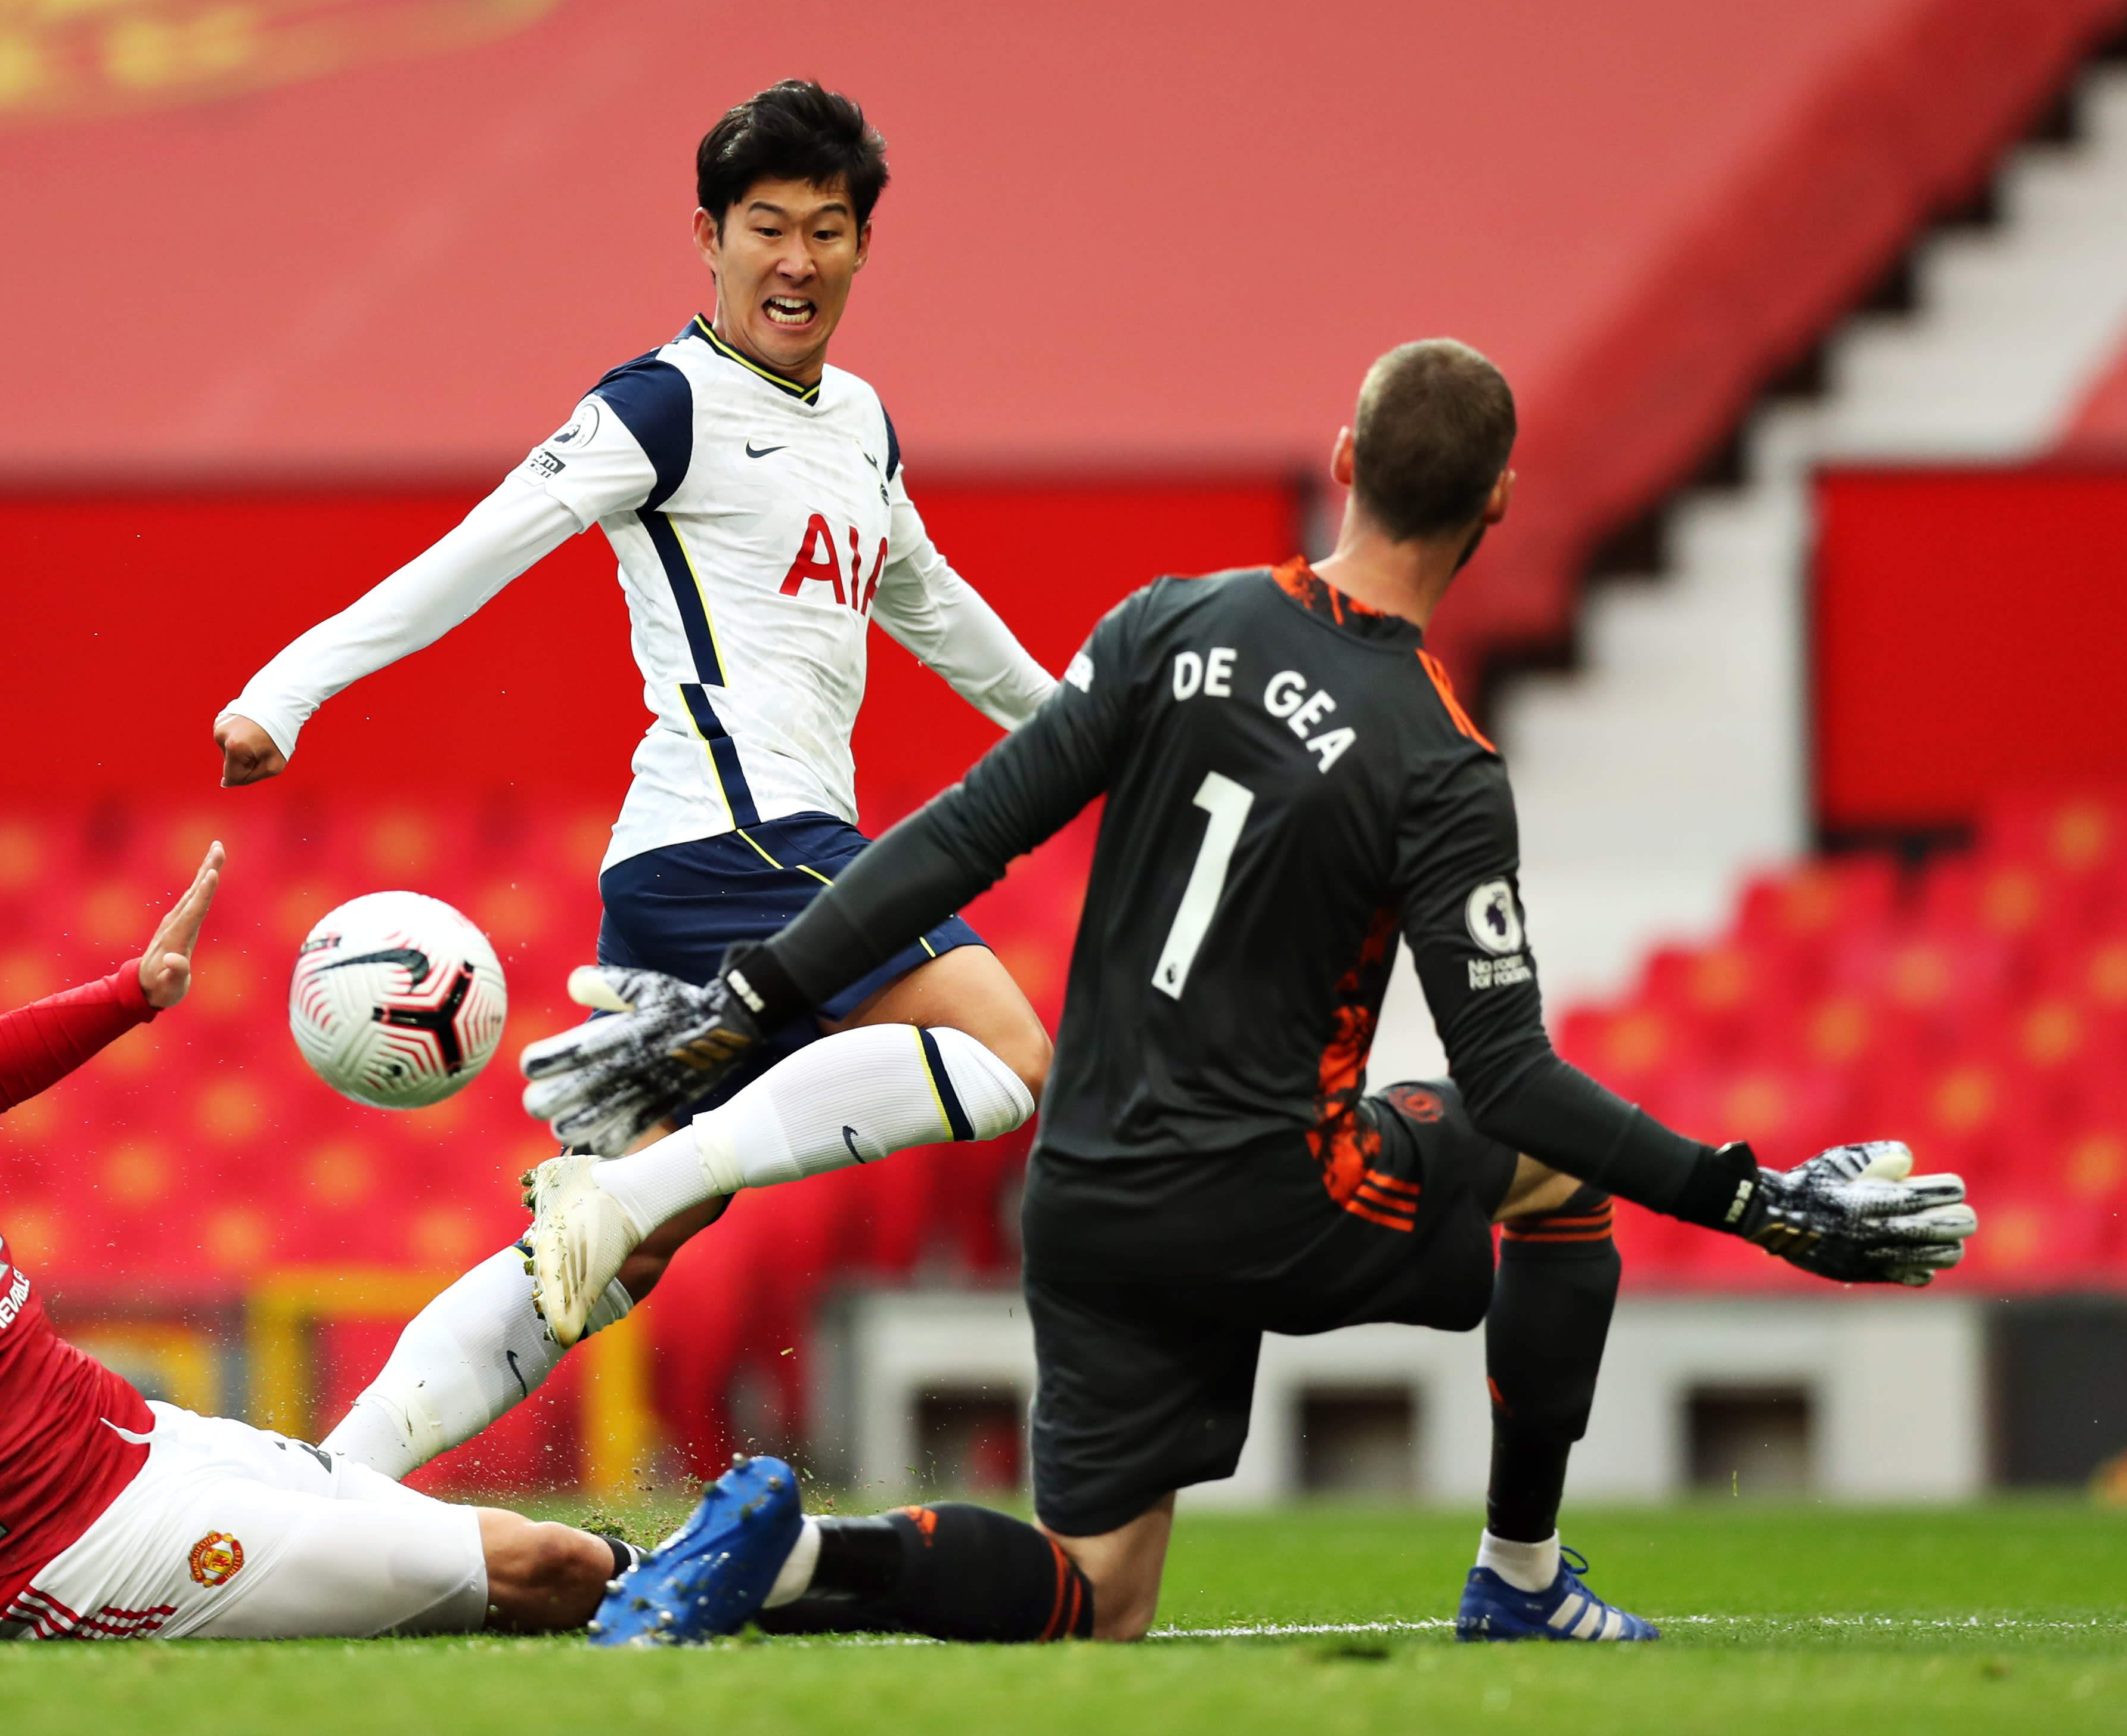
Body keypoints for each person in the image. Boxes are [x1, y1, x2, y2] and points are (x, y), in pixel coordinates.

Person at [518, 339, 1980, 1645]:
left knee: (1095, 1597)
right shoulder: (1441, 764)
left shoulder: (1167, 626)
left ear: (1344, 464)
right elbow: (1518, 1078)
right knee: (1544, 1174)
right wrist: (1750, 1199)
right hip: (1274, 1195)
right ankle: (1522, 1578)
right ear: (1500, 509)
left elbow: (960, 836)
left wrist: (749, 997)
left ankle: (791, 1560)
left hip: (1085, 1194)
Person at [213, 80, 1055, 1474]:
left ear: (860, 248)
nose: (797, 260)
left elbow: (936, 608)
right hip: (741, 842)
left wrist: (1100, 735)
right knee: (1007, 1050)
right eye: (766, 227)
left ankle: (332, 1484)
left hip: (720, 866)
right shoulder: (663, 403)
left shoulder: (859, 422)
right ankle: (636, 1181)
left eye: (827, 231)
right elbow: (487, 541)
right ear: (710, 239)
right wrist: (286, 691)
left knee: (615, 1261)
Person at [0, 850, 628, 1644]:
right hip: (57, 1556)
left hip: (138, 1443)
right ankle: (729, 1579)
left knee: (550, 1552)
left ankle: (759, 1573)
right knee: (542, 1568)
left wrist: (134, 991)